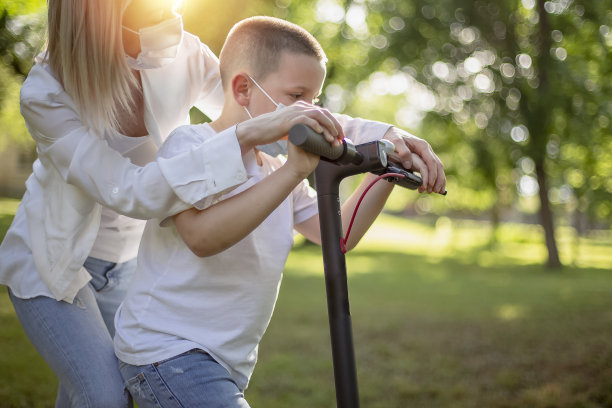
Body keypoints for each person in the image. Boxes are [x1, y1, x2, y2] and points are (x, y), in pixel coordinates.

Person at [0, 1, 445, 407]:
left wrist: (386, 141)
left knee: (88, 395)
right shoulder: (48, 93)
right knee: (102, 397)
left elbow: (279, 100)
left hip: (129, 265)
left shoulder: (177, 54)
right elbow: (133, 192)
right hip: (58, 263)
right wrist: (269, 150)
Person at [113, 16, 419, 408]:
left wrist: (386, 170)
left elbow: (338, 235)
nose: (311, 111)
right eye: (296, 97)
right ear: (243, 88)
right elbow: (202, 239)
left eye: (315, 98)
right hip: (165, 350)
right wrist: (293, 172)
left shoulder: (276, 170)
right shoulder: (190, 146)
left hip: (226, 362)